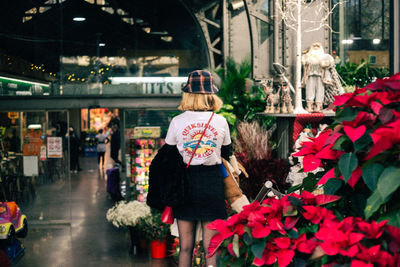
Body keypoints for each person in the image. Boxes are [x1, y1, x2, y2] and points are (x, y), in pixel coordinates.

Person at [164, 70, 232, 267]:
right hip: (212, 185)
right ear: (211, 94)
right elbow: (227, 154)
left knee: (185, 247)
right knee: (211, 249)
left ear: (188, 94)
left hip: (185, 186)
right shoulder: (220, 121)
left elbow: (169, 158)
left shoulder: (177, 121)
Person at [302, 42, 343, 112]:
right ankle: (309, 105)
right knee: (309, 90)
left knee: (320, 90)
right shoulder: (308, 57)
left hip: (321, 77)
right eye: (314, 46)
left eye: (318, 46)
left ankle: (318, 106)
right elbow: (303, 62)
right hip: (310, 76)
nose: (316, 48)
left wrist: (327, 63)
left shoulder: (325, 56)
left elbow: (331, 62)